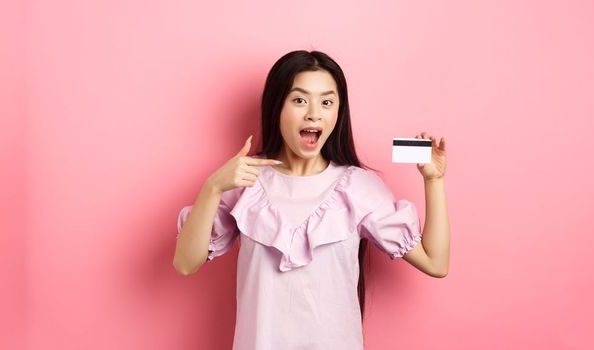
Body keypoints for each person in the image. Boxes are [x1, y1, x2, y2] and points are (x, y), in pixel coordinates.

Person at [174, 50, 450, 349]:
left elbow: (435, 263)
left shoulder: (359, 187)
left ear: (338, 113)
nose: (314, 113)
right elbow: (185, 264)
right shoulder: (244, 181)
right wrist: (213, 186)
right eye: (299, 100)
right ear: (276, 106)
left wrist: (434, 180)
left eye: (327, 102)